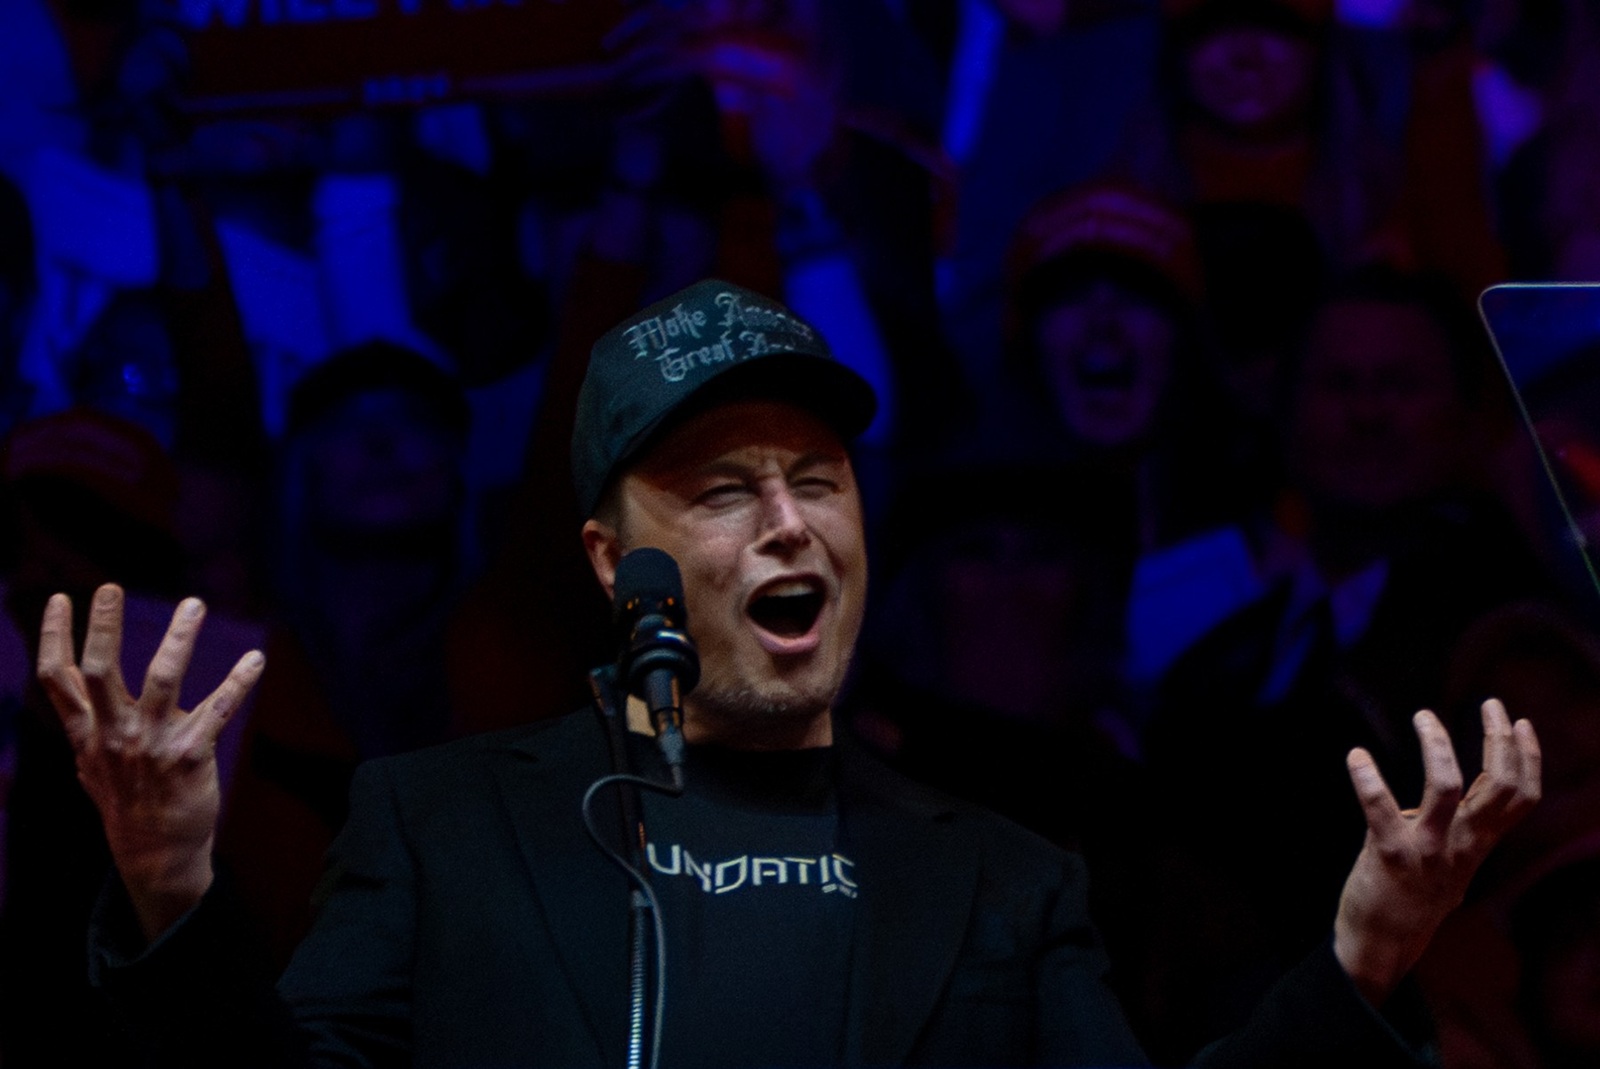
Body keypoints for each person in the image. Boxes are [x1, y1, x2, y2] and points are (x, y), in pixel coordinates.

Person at [37, 278, 1540, 1067]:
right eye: (714, 486)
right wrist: (173, 887)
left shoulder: (1004, 881)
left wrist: (1362, 961)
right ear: (602, 553)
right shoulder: (440, 829)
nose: (785, 520)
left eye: (817, 477)